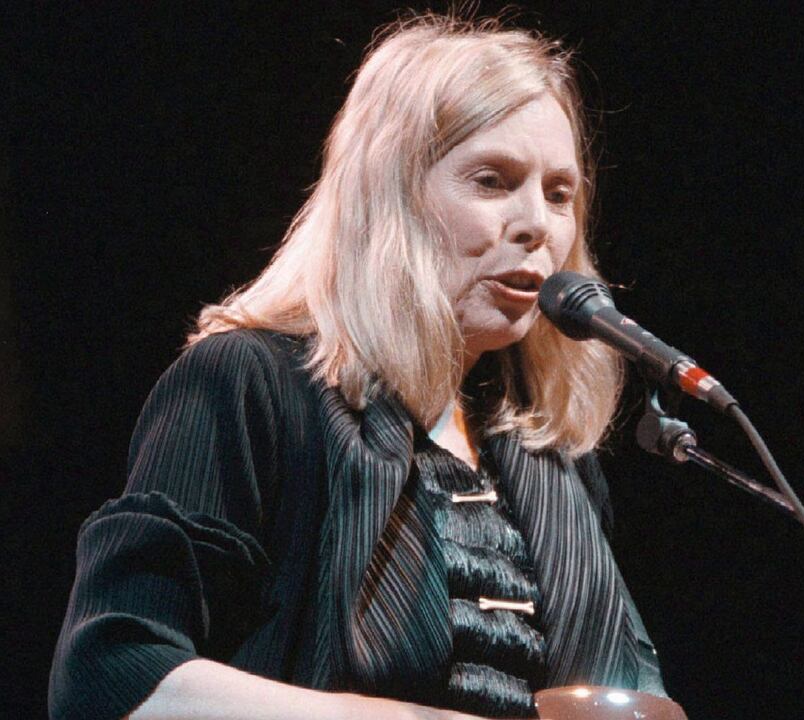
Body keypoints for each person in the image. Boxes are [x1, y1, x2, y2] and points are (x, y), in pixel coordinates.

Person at [48, 13, 666, 720]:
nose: (537, 225)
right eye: (493, 181)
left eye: (559, 194)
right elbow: (108, 674)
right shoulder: (251, 385)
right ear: (390, 197)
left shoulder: (545, 454)